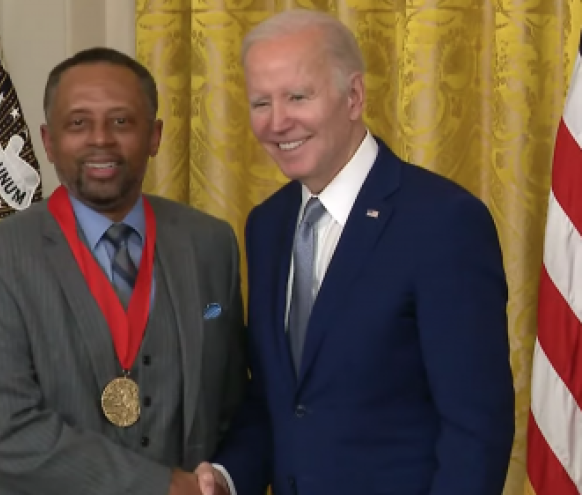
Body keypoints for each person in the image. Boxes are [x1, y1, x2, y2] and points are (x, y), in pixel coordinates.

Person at [195, 9, 515, 495]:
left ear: (354, 97)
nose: (278, 122)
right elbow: (279, 400)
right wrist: (226, 477)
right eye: (261, 102)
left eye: (298, 97)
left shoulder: (443, 221)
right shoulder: (267, 225)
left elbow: (476, 428)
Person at [0, 46, 247, 495]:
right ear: (48, 142)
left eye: (122, 121)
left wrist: (221, 480)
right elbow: (6, 432)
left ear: (155, 136)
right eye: (78, 123)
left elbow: (232, 403)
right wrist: (159, 486)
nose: (101, 139)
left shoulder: (210, 243)